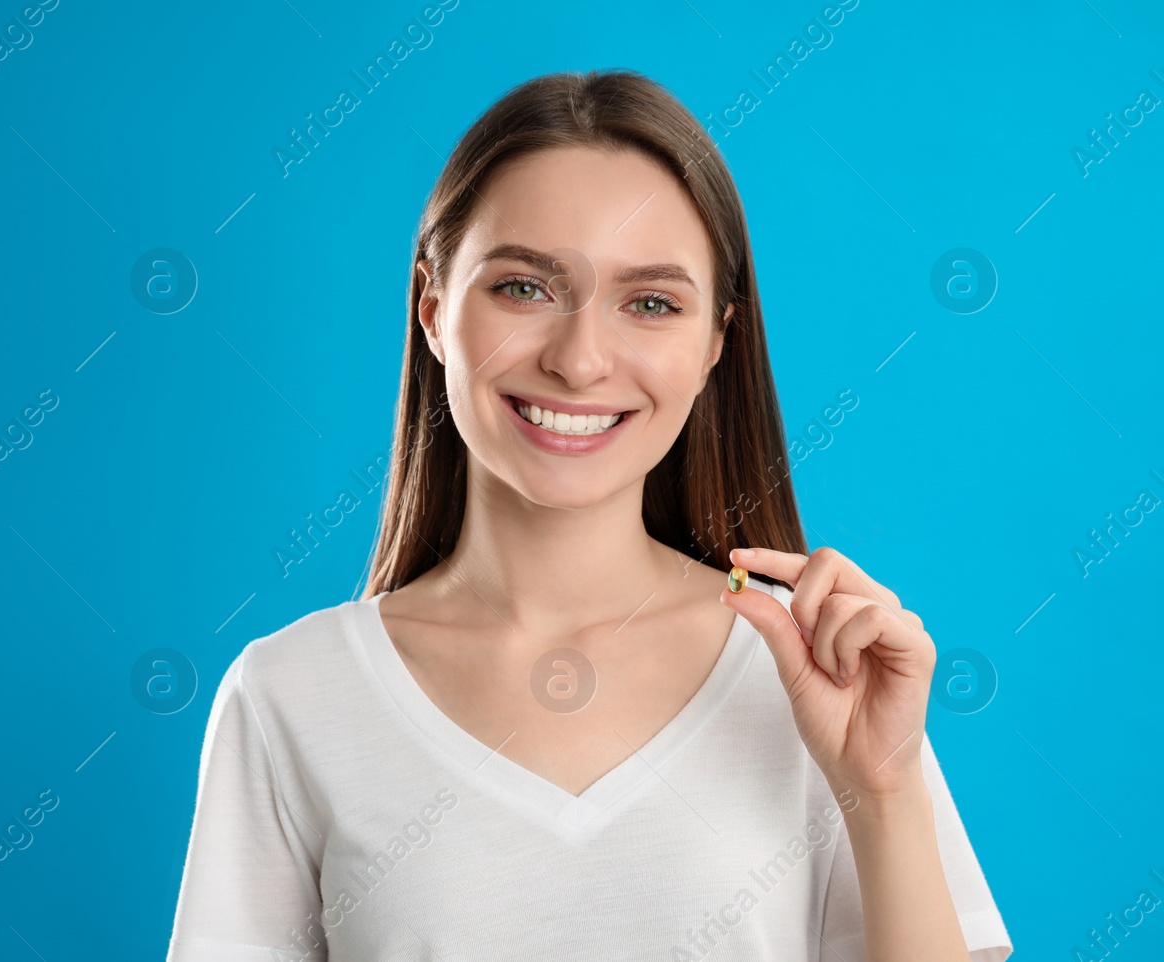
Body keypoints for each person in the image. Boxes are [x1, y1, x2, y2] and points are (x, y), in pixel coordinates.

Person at [166, 68, 1012, 961]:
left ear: (715, 342)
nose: (579, 361)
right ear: (433, 308)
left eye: (650, 303)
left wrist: (880, 790)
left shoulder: (813, 679)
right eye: (523, 288)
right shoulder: (290, 696)